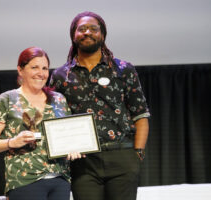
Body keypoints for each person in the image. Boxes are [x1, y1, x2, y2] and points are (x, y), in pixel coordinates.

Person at [50, 11, 150, 200]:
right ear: (73, 35)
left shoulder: (123, 69)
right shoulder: (60, 75)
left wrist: (137, 154)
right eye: (82, 29)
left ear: (102, 35)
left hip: (122, 157)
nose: (87, 32)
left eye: (93, 29)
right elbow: (55, 119)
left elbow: (141, 115)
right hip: (83, 163)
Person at [0, 47, 82, 200]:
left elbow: (67, 136)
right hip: (24, 180)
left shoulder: (58, 99)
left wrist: (73, 148)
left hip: (60, 178)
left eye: (45, 68)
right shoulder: (7, 99)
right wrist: (12, 142)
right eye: (34, 67)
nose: (41, 73)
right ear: (20, 70)